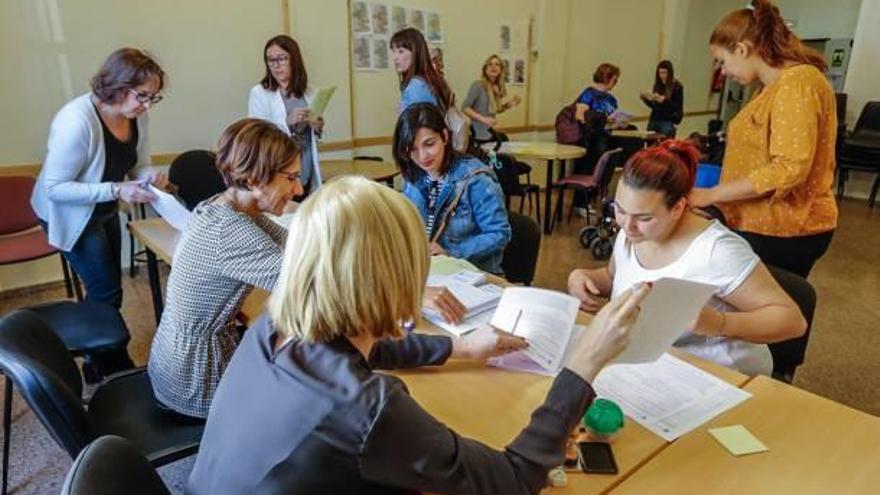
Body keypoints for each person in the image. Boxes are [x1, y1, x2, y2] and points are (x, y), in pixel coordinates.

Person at [186, 175, 651, 495]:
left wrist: (458, 346)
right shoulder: (370, 408)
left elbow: (358, 347)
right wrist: (582, 367)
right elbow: (512, 480)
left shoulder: (274, 325)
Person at [568, 140, 806, 376]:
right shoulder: (632, 232)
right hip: (658, 366)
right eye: (619, 210)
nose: (627, 226)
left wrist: (719, 324)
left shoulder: (717, 252)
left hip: (722, 375)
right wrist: (584, 277)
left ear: (678, 208)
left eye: (644, 217)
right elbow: (614, 276)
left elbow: (792, 321)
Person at [148, 118, 303, 420]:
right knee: (305, 399)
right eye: (291, 178)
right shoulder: (230, 230)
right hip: (195, 379)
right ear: (256, 179)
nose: (298, 189)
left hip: (174, 359)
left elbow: (293, 244)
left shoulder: (227, 206)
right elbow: (312, 284)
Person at [30, 47, 168, 377]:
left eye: (154, 98)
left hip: (102, 207)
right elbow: (55, 187)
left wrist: (147, 176)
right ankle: (113, 368)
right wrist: (116, 189)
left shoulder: (136, 115)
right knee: (106, 290)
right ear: (118, 85)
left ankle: (97, 361)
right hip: (68, 213)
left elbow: (138, 163)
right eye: (143, 96)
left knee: (107, 289)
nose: (147, 105)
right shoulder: (76, 121)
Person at [689, 0, 838, 278]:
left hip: (785, 227)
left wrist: (712, 194)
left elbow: (788, 169)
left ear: (742, 49)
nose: (723, 72)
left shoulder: (797, 84)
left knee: (767, 312)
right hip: (765, 222)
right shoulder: (772, 88)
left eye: (722, 61)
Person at [394, 103, 510, 275]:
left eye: (429, 144)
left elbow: (499, 233)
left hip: (471, 274)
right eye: (412, 149)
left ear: (445, 136)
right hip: (430, 271)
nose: (422, 156)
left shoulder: (475, 179)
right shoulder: (414, 177)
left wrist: (452, 253)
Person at [248, 34, 325, 196]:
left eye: (282, 59)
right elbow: (257, 136)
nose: (276, 65)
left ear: (294, 60)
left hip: (306, 166)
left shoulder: (309, 92)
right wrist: (287, 122)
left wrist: (317, 127)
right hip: (278, 169)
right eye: (271, 60)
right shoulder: (260, 93)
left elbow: (311, 135)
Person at [572, 63, 621, 216]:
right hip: (590, 138)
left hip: (605, 136)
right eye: (615, 79)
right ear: (609, 78)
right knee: (586, 169)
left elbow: (611, 117)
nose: (616, 82)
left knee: (598, 171)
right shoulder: (589, 93)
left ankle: (589, 201)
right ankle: (580, 203)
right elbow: (580, 115)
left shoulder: (612, 99)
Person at [461, 54, 522, 144]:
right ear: (485, 69)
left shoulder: (497, 88)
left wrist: (508, 105)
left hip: (488, 131)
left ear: (501, 69)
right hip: (478, 133)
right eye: (490, 64)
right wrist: (484, 119)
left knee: (504, 141)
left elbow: (496, 110)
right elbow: (465, 107)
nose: (493, 67)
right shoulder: (478, 85)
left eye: (497, 64)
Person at [391, 27, 453, 114]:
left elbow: (414, 126)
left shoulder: (416, 87)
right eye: (393, 51)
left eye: (401, 51)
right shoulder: (428, 80)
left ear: (415, 53)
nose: (395, 58)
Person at [640, 60, 684, 137]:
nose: (662, 76)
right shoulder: (657, 85)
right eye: (660, 73)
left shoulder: (677, 86)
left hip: (667, 121)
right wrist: (646, 99)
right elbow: (655, 106)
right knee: (650, 145)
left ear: (670, 73)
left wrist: (664, 101)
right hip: (654, 119)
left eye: (665, 73)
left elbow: (676, 107)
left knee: (664, 145)